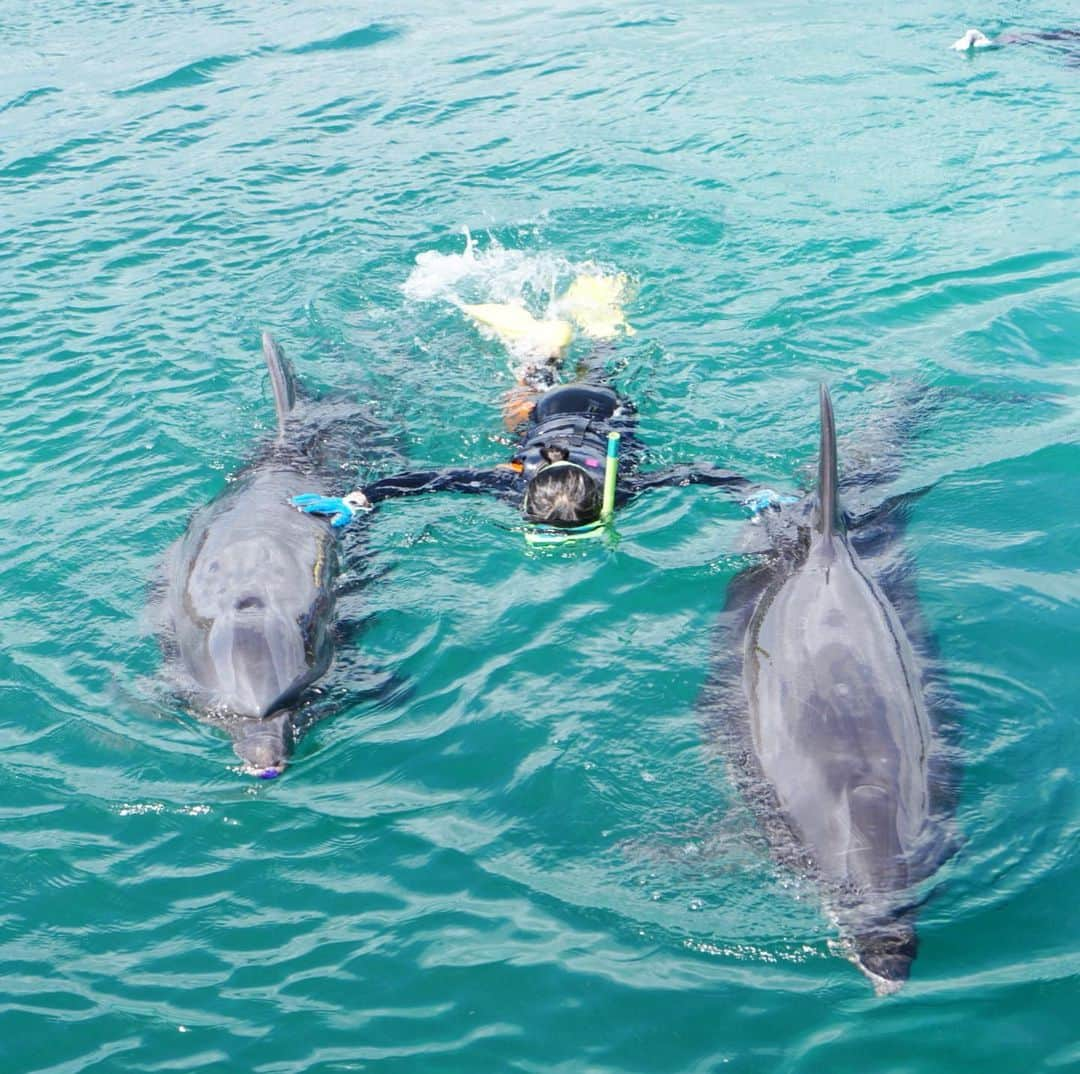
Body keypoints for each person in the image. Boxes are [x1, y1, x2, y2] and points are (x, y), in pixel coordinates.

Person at [291, 276, 758, 543]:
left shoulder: (612, 487)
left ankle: (574, 334)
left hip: (606, 410)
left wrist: (361, 498)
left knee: (586, 368)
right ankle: (558, 337)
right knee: (529, 399)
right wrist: (750, 491)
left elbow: (429, 481)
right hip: (560, 413)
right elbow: (700, 473)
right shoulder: (527, 484)